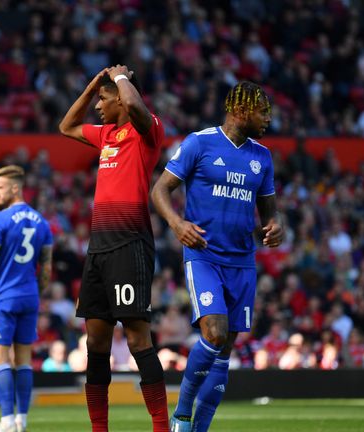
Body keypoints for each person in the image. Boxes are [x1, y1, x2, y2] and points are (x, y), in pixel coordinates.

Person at [151, 81, 284, 432]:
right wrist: (177, 224)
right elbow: (160, 189)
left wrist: (275, 226)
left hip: (242, 261)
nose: (268, 118)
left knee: (225, 350)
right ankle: (180, 415)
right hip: (204, 255)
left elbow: (269, 211)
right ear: (241, 110)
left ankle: (199, 428)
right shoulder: (199, 143)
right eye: (263, 111)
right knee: (214, 332)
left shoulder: (262, 157)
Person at [59, 65, 169, 432]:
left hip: (129, 244)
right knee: (96, 342)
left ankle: (159, 425)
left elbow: (137, 109)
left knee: (138, 337)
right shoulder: (105, 134)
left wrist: (121, 80)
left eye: (103, 100)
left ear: (122, 98)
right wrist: (93, 86)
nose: (97, 107)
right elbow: (66, 126)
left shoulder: (146, 130)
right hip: (98, 250)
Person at [0, 165, 53, 432]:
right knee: (24, 360)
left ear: (15, 188)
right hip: (29, 296)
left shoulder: (0, 220)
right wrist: (36, 292)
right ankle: (22, 420)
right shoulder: (42, 222)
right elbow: (47, 268)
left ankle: (7, 420)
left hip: (4, 297)